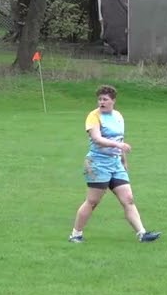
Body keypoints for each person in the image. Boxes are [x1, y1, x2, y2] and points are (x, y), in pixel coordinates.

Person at [69, 85, 161, 243]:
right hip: (97, 163)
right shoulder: (93, 116)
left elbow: (120, 139)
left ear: (113, 101)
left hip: (115, 164)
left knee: (128, 199)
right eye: (99, 99)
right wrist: (118, 147)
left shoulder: (118, 116)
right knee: (92, 201)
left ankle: (142, 234)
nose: (101, 102)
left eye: (105, 99)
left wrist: (123, 159)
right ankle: (76, 234)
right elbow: (97, 139)